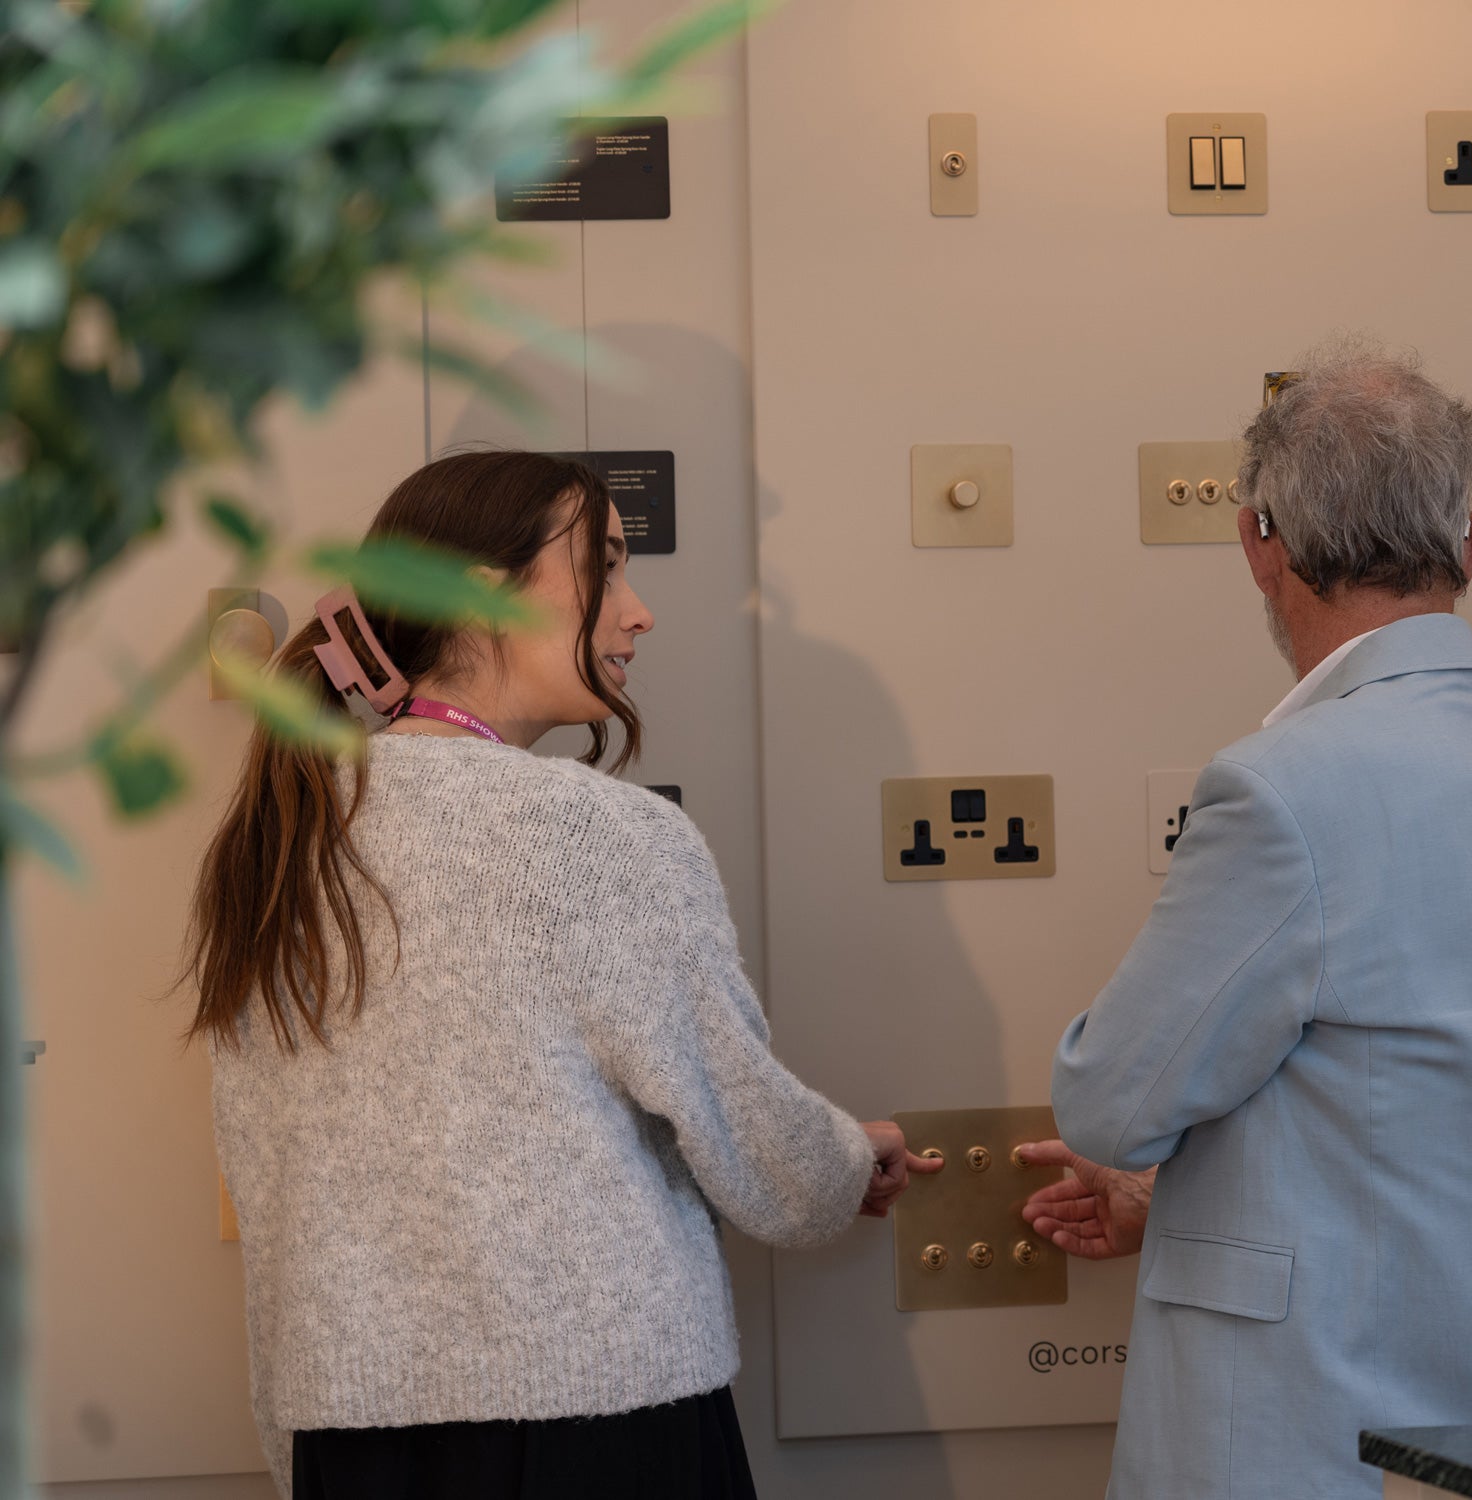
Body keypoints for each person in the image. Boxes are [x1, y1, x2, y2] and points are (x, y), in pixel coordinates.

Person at [185, 451, 937, 1498]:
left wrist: (300, 1440)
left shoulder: (281, 839)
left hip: (352, 1440)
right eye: (606, 566)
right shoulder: (597, 835)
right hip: (598, 1429)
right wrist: (847, 1163)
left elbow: (269, 1181)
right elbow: (750, 1139)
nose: (639, 612)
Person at [1016, 341, 1472, 1499]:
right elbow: (1414, 1107)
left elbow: (1110, 1101)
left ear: (1260, 543)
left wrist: (1143, 1167)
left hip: (1304, 1429)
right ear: (1470, 545)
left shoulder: (1280, 790)